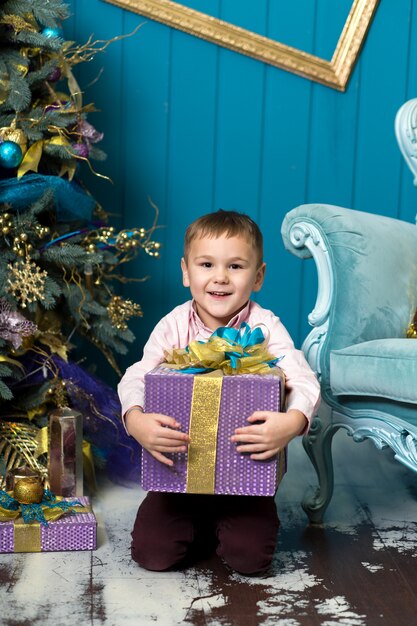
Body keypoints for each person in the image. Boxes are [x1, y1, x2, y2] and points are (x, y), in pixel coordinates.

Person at [118, 210, 320, 575]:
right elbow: (136, 375)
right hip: (179, 474)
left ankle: (226, 525)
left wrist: (291, 422)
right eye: (206, 264)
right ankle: (197, 524)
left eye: (236, 267)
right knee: (152, 555)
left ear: (258, 276)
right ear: (185, 272)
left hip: (245, 477)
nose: (220, 278)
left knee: (250, 561)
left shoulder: (265, 326)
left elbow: (303, 379)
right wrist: (136, 420)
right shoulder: (174, 326)